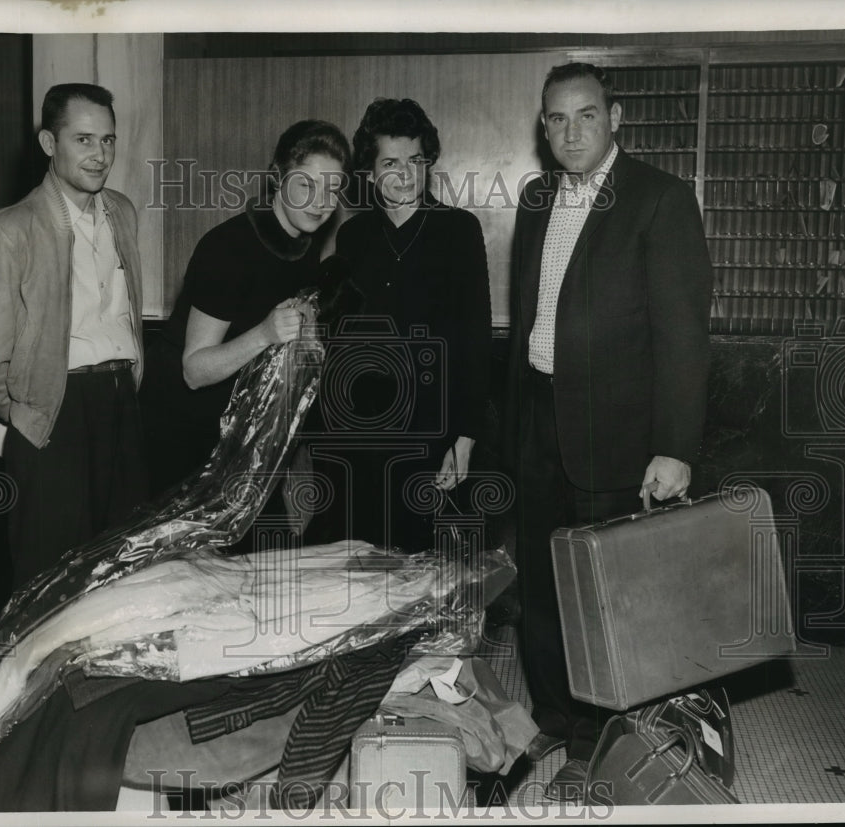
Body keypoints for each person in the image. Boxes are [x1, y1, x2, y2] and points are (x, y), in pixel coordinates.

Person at [503, 62, 713, 800]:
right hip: (536, 419)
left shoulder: (660, 200)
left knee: (606, 599)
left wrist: (676, 445)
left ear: (615, 117)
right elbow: (526, 318)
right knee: (541, 587)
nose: (570, 132)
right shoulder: (535, 199)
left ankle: (599, 743)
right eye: (555, 119)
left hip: (620, 434)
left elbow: (684, 335)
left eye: (586, 115)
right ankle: (556, 716)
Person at [0, 83, 148, 592]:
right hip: (52, 415)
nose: (100, 154)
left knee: (120, 566)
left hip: (120, 405)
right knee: (49, 577)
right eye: (84, 140)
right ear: (48, 143)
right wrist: (27, 413)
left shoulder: (123, 212)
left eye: (107, 140)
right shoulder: (11, 228)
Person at [307, 98, 491, 551]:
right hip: (358, 434)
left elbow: (474, 339)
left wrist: (465, 437)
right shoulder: (353, 236)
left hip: (432, 434)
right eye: (391, 162)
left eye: (416, 161)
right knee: (356, 560)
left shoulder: (458, 231)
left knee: (420, 571)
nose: (406, 174)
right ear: (369, 172)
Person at [140, 120, 350, 495]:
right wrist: (265, 333)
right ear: (278, 177)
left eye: (332, 188)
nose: (320, 202)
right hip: (182, 428)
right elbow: (194, 370)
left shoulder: (305, 245)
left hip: (240, 428)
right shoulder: (227, 249)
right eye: (307, 184)